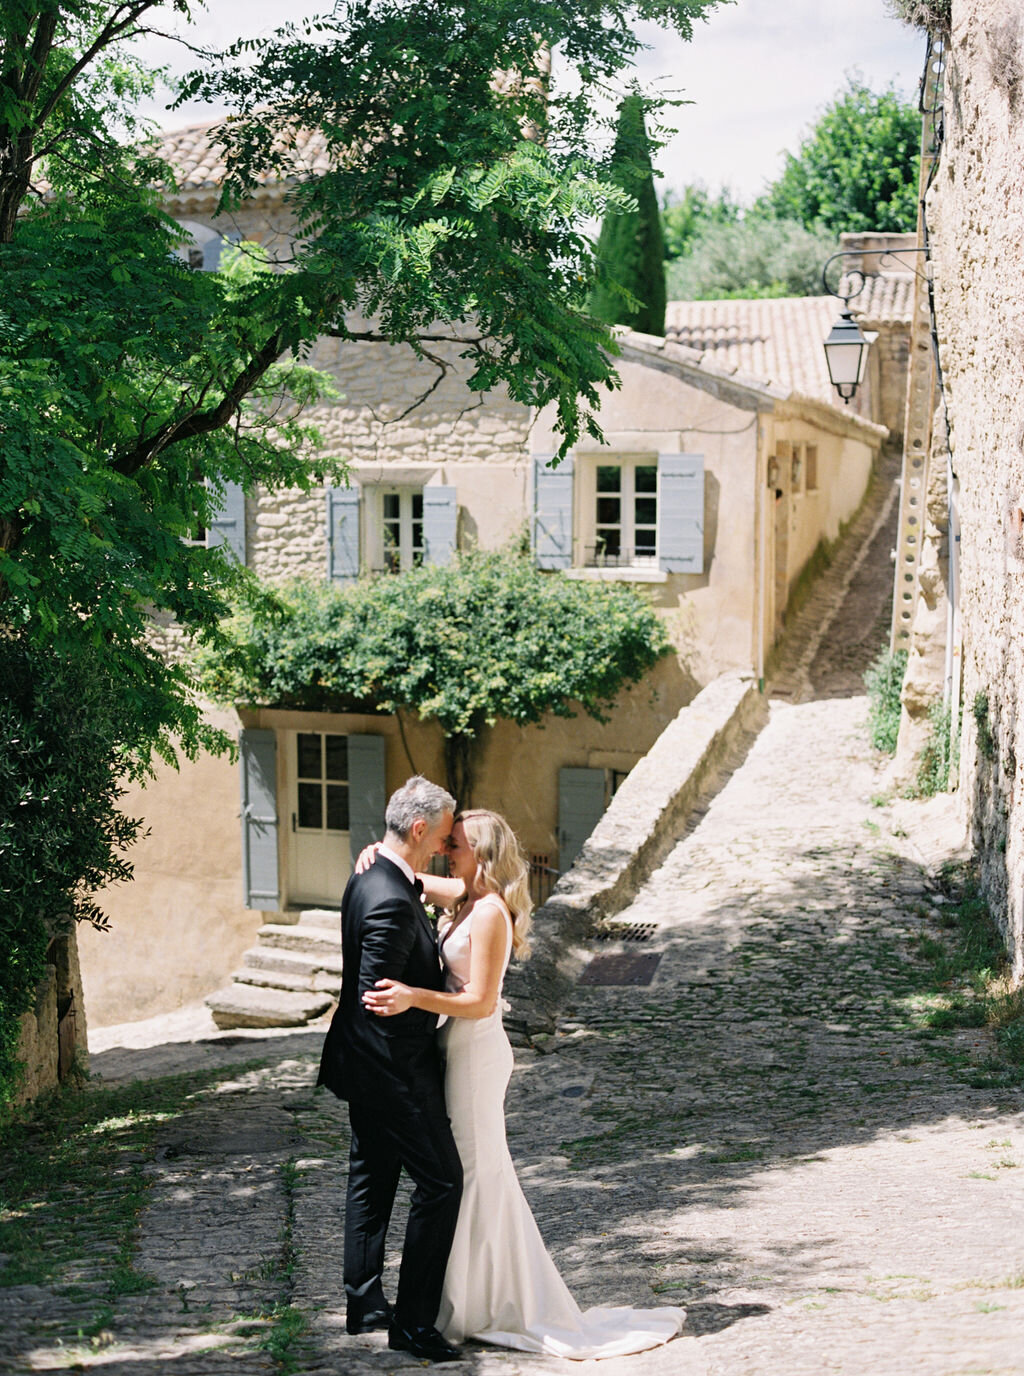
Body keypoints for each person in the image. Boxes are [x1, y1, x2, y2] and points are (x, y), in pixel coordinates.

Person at [360, 808, 686, 1360]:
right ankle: (468, 1298)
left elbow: (480, 1001)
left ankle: (475, 1304)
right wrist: (384, 859)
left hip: (474, 1056)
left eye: (457, 846)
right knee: (471, 1175)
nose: (447, 852)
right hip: (455, 1053)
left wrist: (413, 997)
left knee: (473, 1174)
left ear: (481, 856)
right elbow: (421, 880)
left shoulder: (488, 913)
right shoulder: (466, 898)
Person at [316, 775, 464, 1364]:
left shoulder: (370, 876)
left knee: (371, 1178)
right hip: (392, 1071)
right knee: (442, 1183)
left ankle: (363, 1301)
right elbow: (380, 1001)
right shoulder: (389, 898)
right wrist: (399, 1092)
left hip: (364, 1064)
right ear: (421, 828)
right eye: (442, 836)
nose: (442, 846)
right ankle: (413, 1323)